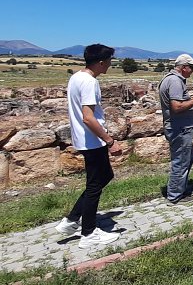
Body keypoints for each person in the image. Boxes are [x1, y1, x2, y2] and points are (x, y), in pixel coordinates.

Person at [55, 44, 122, 248]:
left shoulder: (76, 77)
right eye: (109, 61)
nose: (111, 64)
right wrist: (109, 140)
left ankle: (72, 219)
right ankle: (88, 233)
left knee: (104, 176)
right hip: (93, 141)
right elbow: (88, 117)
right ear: (101, 62)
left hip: (84, 139)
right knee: (94, 186)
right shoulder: (90, 82)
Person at [159, 53, 193, 204]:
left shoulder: (171, 79)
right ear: (183, 67)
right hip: (179, 128)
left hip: (179, 127)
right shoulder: (175, 81)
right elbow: (177, 107)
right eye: (191, 67)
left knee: (188, 157)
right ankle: (175, 195)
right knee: (180, 161)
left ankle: (180, 188)